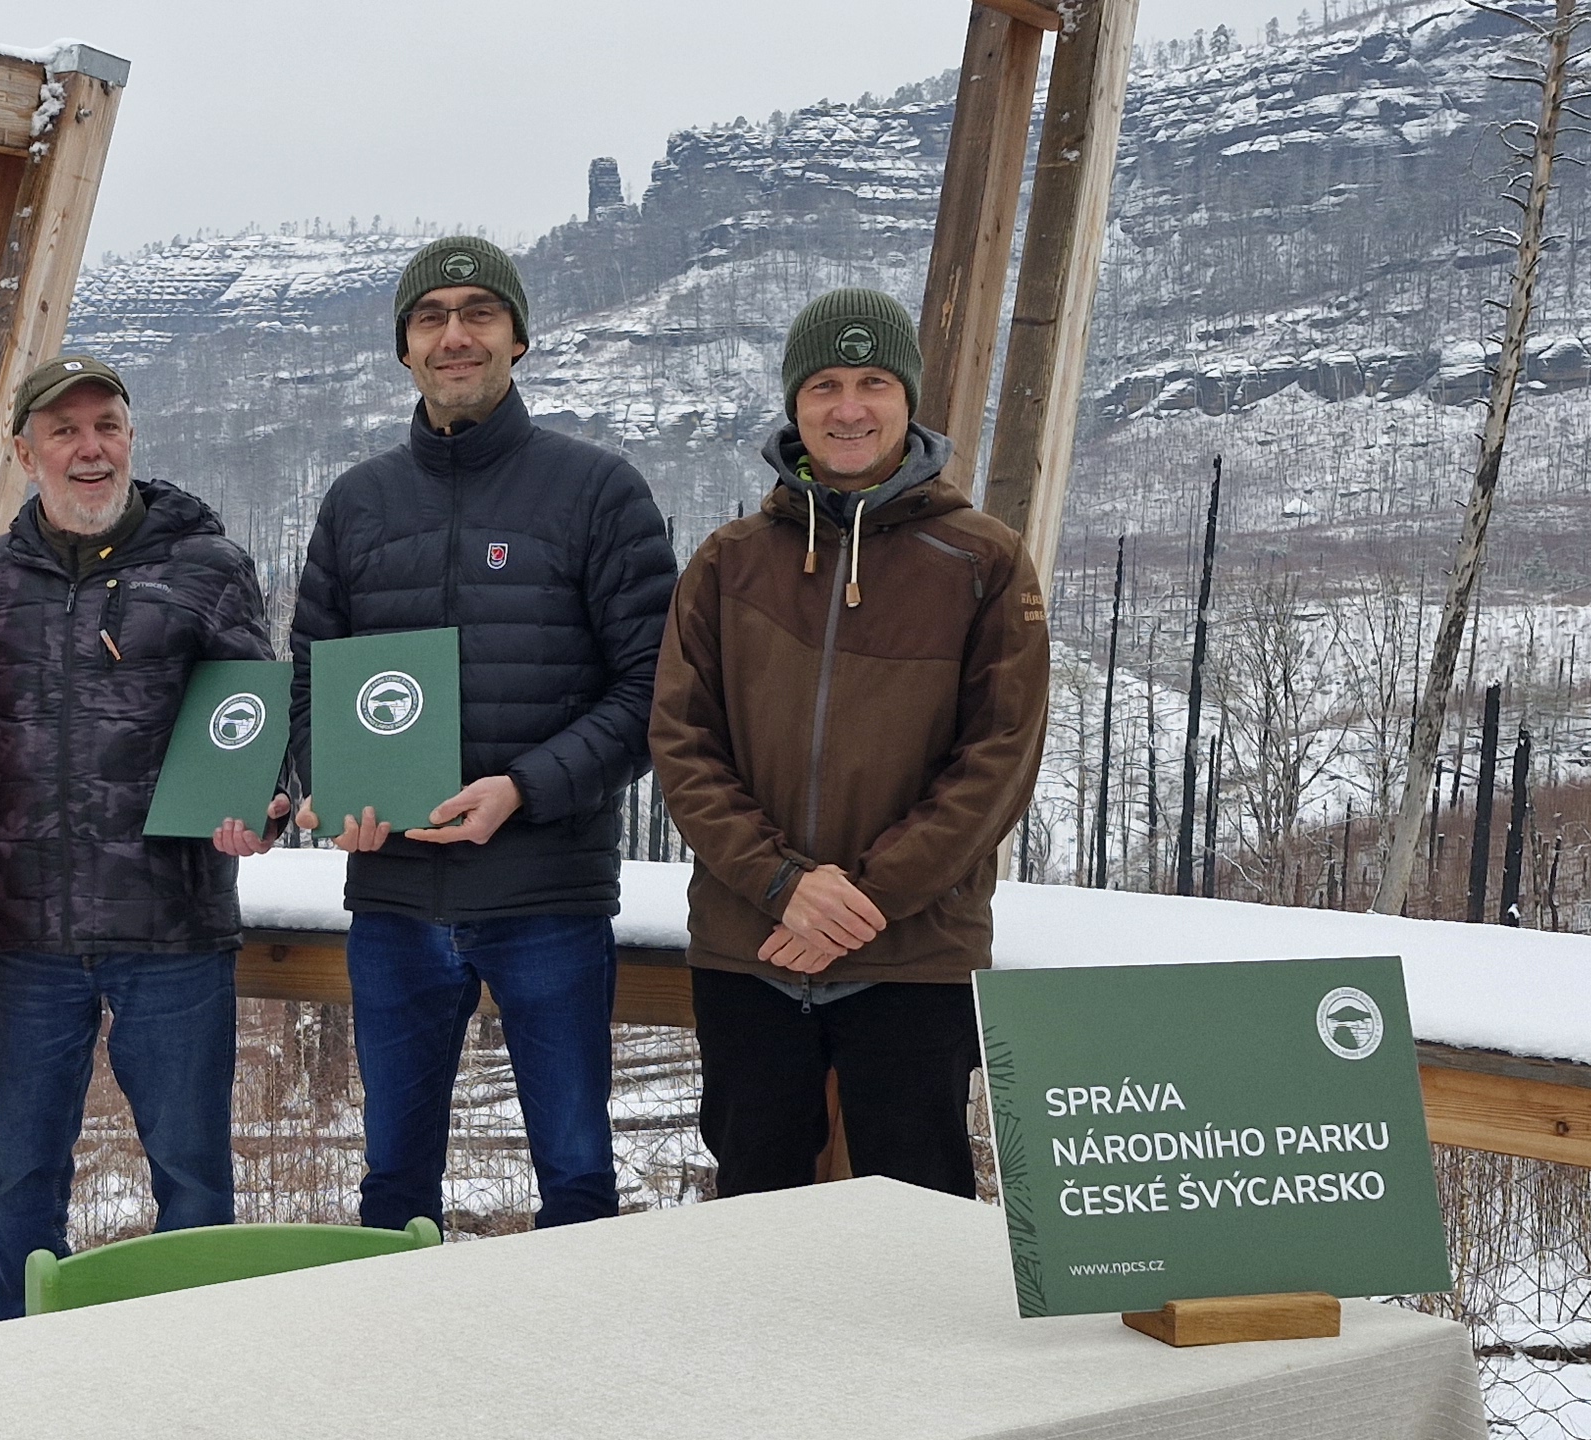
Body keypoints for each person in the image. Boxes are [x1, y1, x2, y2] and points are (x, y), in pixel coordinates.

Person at [276, 234, 675, 1233]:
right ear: (404, 348)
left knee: (575, 1178)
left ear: (517, 338)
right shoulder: (357, 502)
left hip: (546, 895)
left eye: (478, 313)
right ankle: (400, 1337)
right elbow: (311, 682)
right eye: (430, 317)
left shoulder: (597, 491)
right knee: (392, 1185)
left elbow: (651, 693)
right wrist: (334, 786)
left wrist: (523, 789)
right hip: (395, 898)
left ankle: (569, 1340)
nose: (454, 335)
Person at [649, 288, 1050, 1198]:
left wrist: (864, 901)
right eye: (824, 385)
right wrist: (783, 886)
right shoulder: (729, 561)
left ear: (909, 399)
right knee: (753, 1207)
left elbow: (998, 759)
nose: (849, 408)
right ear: (795, 406)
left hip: (915, 953)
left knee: (917, 1209)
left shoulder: (984, 559)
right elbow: (683, 743)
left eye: (873, 382)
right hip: (751, 946)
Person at [0, 354, 271, 1318]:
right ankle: (26, 1345)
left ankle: (187, 1354)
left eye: (106, 427)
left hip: (171, 926)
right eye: (65, 431)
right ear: (26, 454)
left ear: (132, 439)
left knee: (192, 1176)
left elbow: (257, 718)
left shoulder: (208, 567)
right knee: (18, 1177)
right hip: (26, 932)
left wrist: (261, 797)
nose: (88, 449)